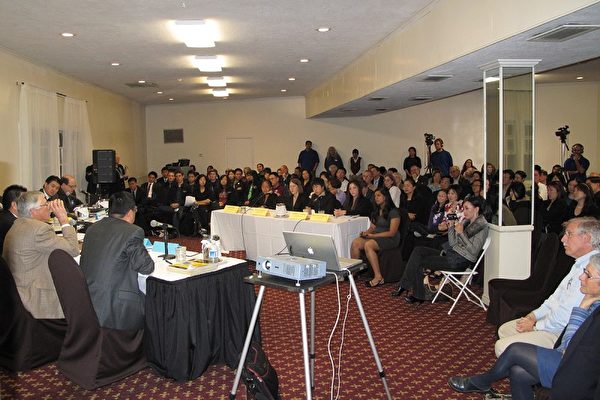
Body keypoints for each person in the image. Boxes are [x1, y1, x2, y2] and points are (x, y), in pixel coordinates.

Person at [448, 253, 600, 399]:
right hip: (569, 358)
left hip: (579, 371)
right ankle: (482, 383)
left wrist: (582, 307)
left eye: (588, 275)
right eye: (584, 271)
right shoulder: (593, 301)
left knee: (515, 350)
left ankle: (482, 382)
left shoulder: (595, 310)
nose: (581, 277)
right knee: (518, 372)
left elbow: (571, 347)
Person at [494, 217, 600, 356]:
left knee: (502, 346)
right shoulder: (579, 263)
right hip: (553, 324)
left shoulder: (592, 270)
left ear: (586, 238)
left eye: (569, 234)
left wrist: (536, 326)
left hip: (563, 334)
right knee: (505, 330)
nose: (563, 239)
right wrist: (533, 316)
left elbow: (565, 316)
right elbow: (554, 298)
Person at [392, 196, 489, 303]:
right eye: (463, 208)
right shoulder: (467, 222)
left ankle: (411, 291)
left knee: (417, 261)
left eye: (467, 208)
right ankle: (409, 289)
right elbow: (453, 243)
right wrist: (451, 225)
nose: (464, 212)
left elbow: (474, 251)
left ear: (476, 209)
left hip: (460, 261)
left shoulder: (481, 226)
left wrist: (461, 233)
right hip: (453, 255)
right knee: (418, 250)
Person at [80, 192, 154, 330]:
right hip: (115, 306)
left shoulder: (92, 228)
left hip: (87, 301)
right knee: (155, 303)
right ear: (131, 212)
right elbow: (146, 267)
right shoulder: (133, 231)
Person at [3, 192, 79, 319]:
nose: (50, 207)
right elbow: (73, 249)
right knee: (76, 289)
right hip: (34, 298)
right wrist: (64, 220)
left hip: (17, 292)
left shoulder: (18, 224)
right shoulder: (39, 229)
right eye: (45, 204)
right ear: (33, 211)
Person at [350, 189, 401, 287]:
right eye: (375, 196)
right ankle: (354, 272)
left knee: (368, 244)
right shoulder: (376, 210)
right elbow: (372, 227)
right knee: (355, 242)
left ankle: (378, 276)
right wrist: (366, 233)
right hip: (377, 236)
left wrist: (373, 236)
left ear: (385, 197)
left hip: (390, 238)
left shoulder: (394, 212)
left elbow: (392, 232)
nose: (376, 198)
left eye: (378, 195)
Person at [0, 184, 27, 254]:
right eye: (25, 201)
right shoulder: (13, 223)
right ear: (14, 205)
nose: (27, 204)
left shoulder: (4, 215)